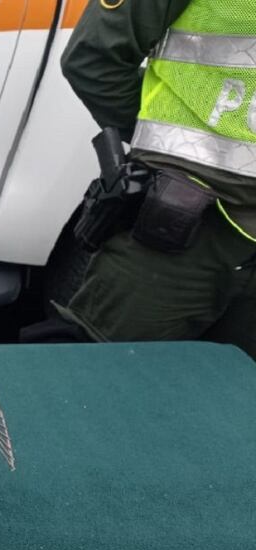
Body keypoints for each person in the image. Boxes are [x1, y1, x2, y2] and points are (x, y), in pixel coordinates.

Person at [52, 0, 256, 359]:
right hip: (180, 228)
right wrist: (172, 143)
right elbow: (93, 59)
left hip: (191, 222)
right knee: (107, 379)